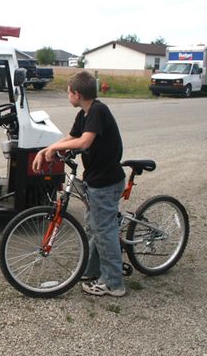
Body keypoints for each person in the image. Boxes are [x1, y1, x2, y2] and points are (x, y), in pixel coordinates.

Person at [32, 70, 126, 297]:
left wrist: (54, 149)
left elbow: (84, 141)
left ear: (77, 93)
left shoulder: (97, 110)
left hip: (106, 182)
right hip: (96, 180)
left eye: (68, 92)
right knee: (93, 226)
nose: (67, 95)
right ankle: (92, 269)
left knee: (104, 231)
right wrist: (47, 149)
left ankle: (114, 284)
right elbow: (72, 137)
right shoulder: (85, 114)